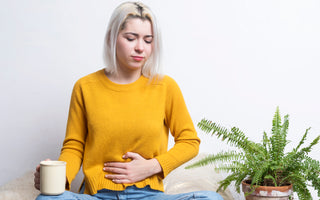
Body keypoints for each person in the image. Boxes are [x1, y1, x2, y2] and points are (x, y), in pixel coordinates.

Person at [34, 2, 224, 200]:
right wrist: (57, 178)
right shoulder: (85, 87)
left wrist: (152, 166)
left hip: (148, 195)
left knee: (212, 198)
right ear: (111, 38)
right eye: (131, 38)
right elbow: (74, 146)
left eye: (148, 40)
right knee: (46, 199)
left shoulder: (166, 87)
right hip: (98, 195)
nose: (140, 48)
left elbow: (190, 141)